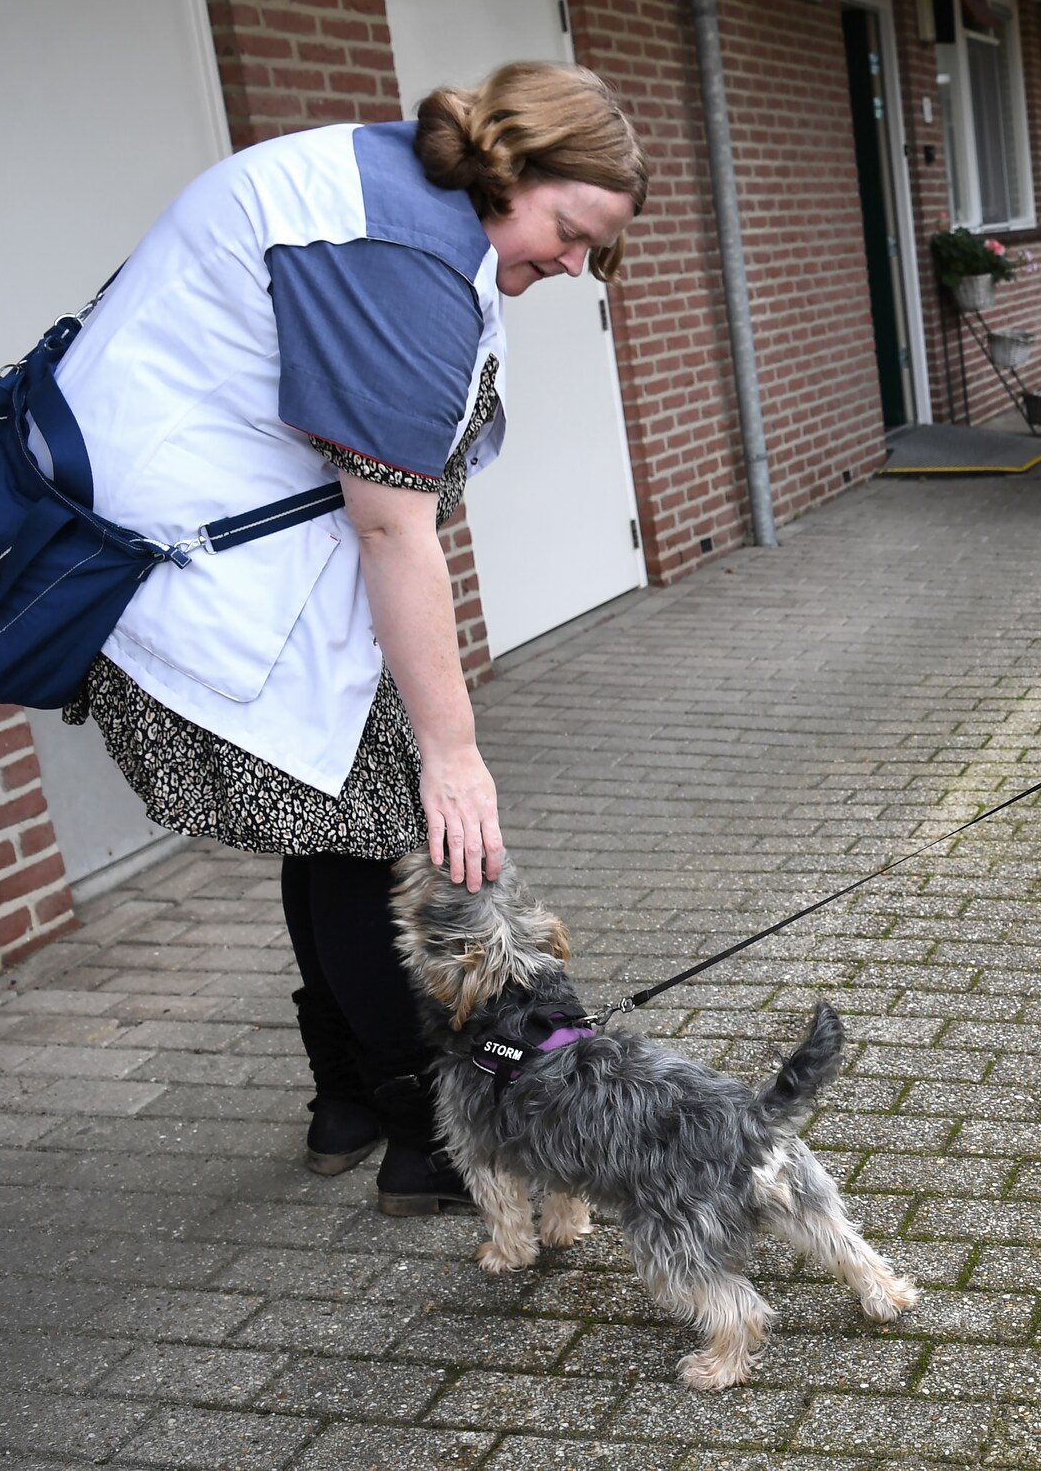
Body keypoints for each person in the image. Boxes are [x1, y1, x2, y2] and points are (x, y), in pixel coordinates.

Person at [56, 62, 646, 1211]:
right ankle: (426, 1137)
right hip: (207, 575)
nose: (576, 265)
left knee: (329, 829)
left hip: (240, 563)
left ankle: (345, 1103)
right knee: (385, 824)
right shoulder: (396, 253)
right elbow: (391, 524)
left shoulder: (402, 203)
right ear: (506, 169)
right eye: (571, 231)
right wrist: (453, 748)